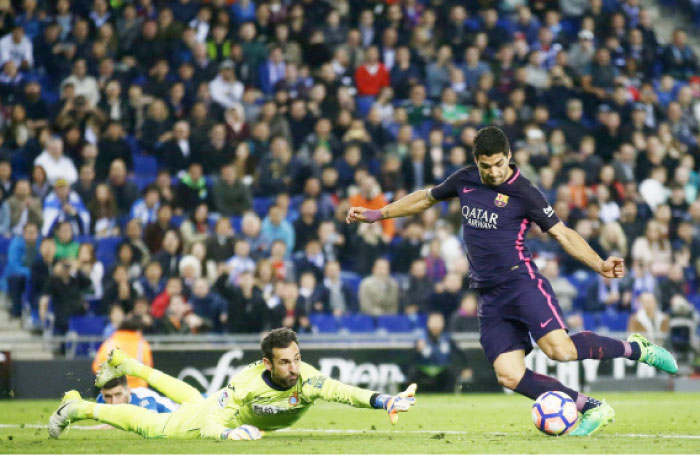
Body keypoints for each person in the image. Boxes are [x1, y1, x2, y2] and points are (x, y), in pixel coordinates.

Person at [346, 126, 678, 436]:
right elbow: (426, 197)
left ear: (509, 156)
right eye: (486, 165)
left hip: (521, 283)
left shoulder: (524, 192)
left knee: (559, 351)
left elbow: (562, 233)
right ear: (477, 161)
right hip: (488, 295)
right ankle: (592, 407)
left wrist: (600, 264)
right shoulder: (465, 180)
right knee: (509, 375)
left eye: (499, 164)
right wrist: (380, 213)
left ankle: (636, 348)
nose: (493, 172)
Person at [49, 328, 417, 440]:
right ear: (267, 363)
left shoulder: (306, 378)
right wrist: (228, 436)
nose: (293, 368)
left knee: (191, 395)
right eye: (285, 362)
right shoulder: (246, 384)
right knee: (156, 428)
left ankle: (128, 364)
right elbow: (211, 424)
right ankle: (78, 406)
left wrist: (384, 400)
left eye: (297, 359)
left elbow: (344, 392)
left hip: (208, 402)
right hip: (210, 415)